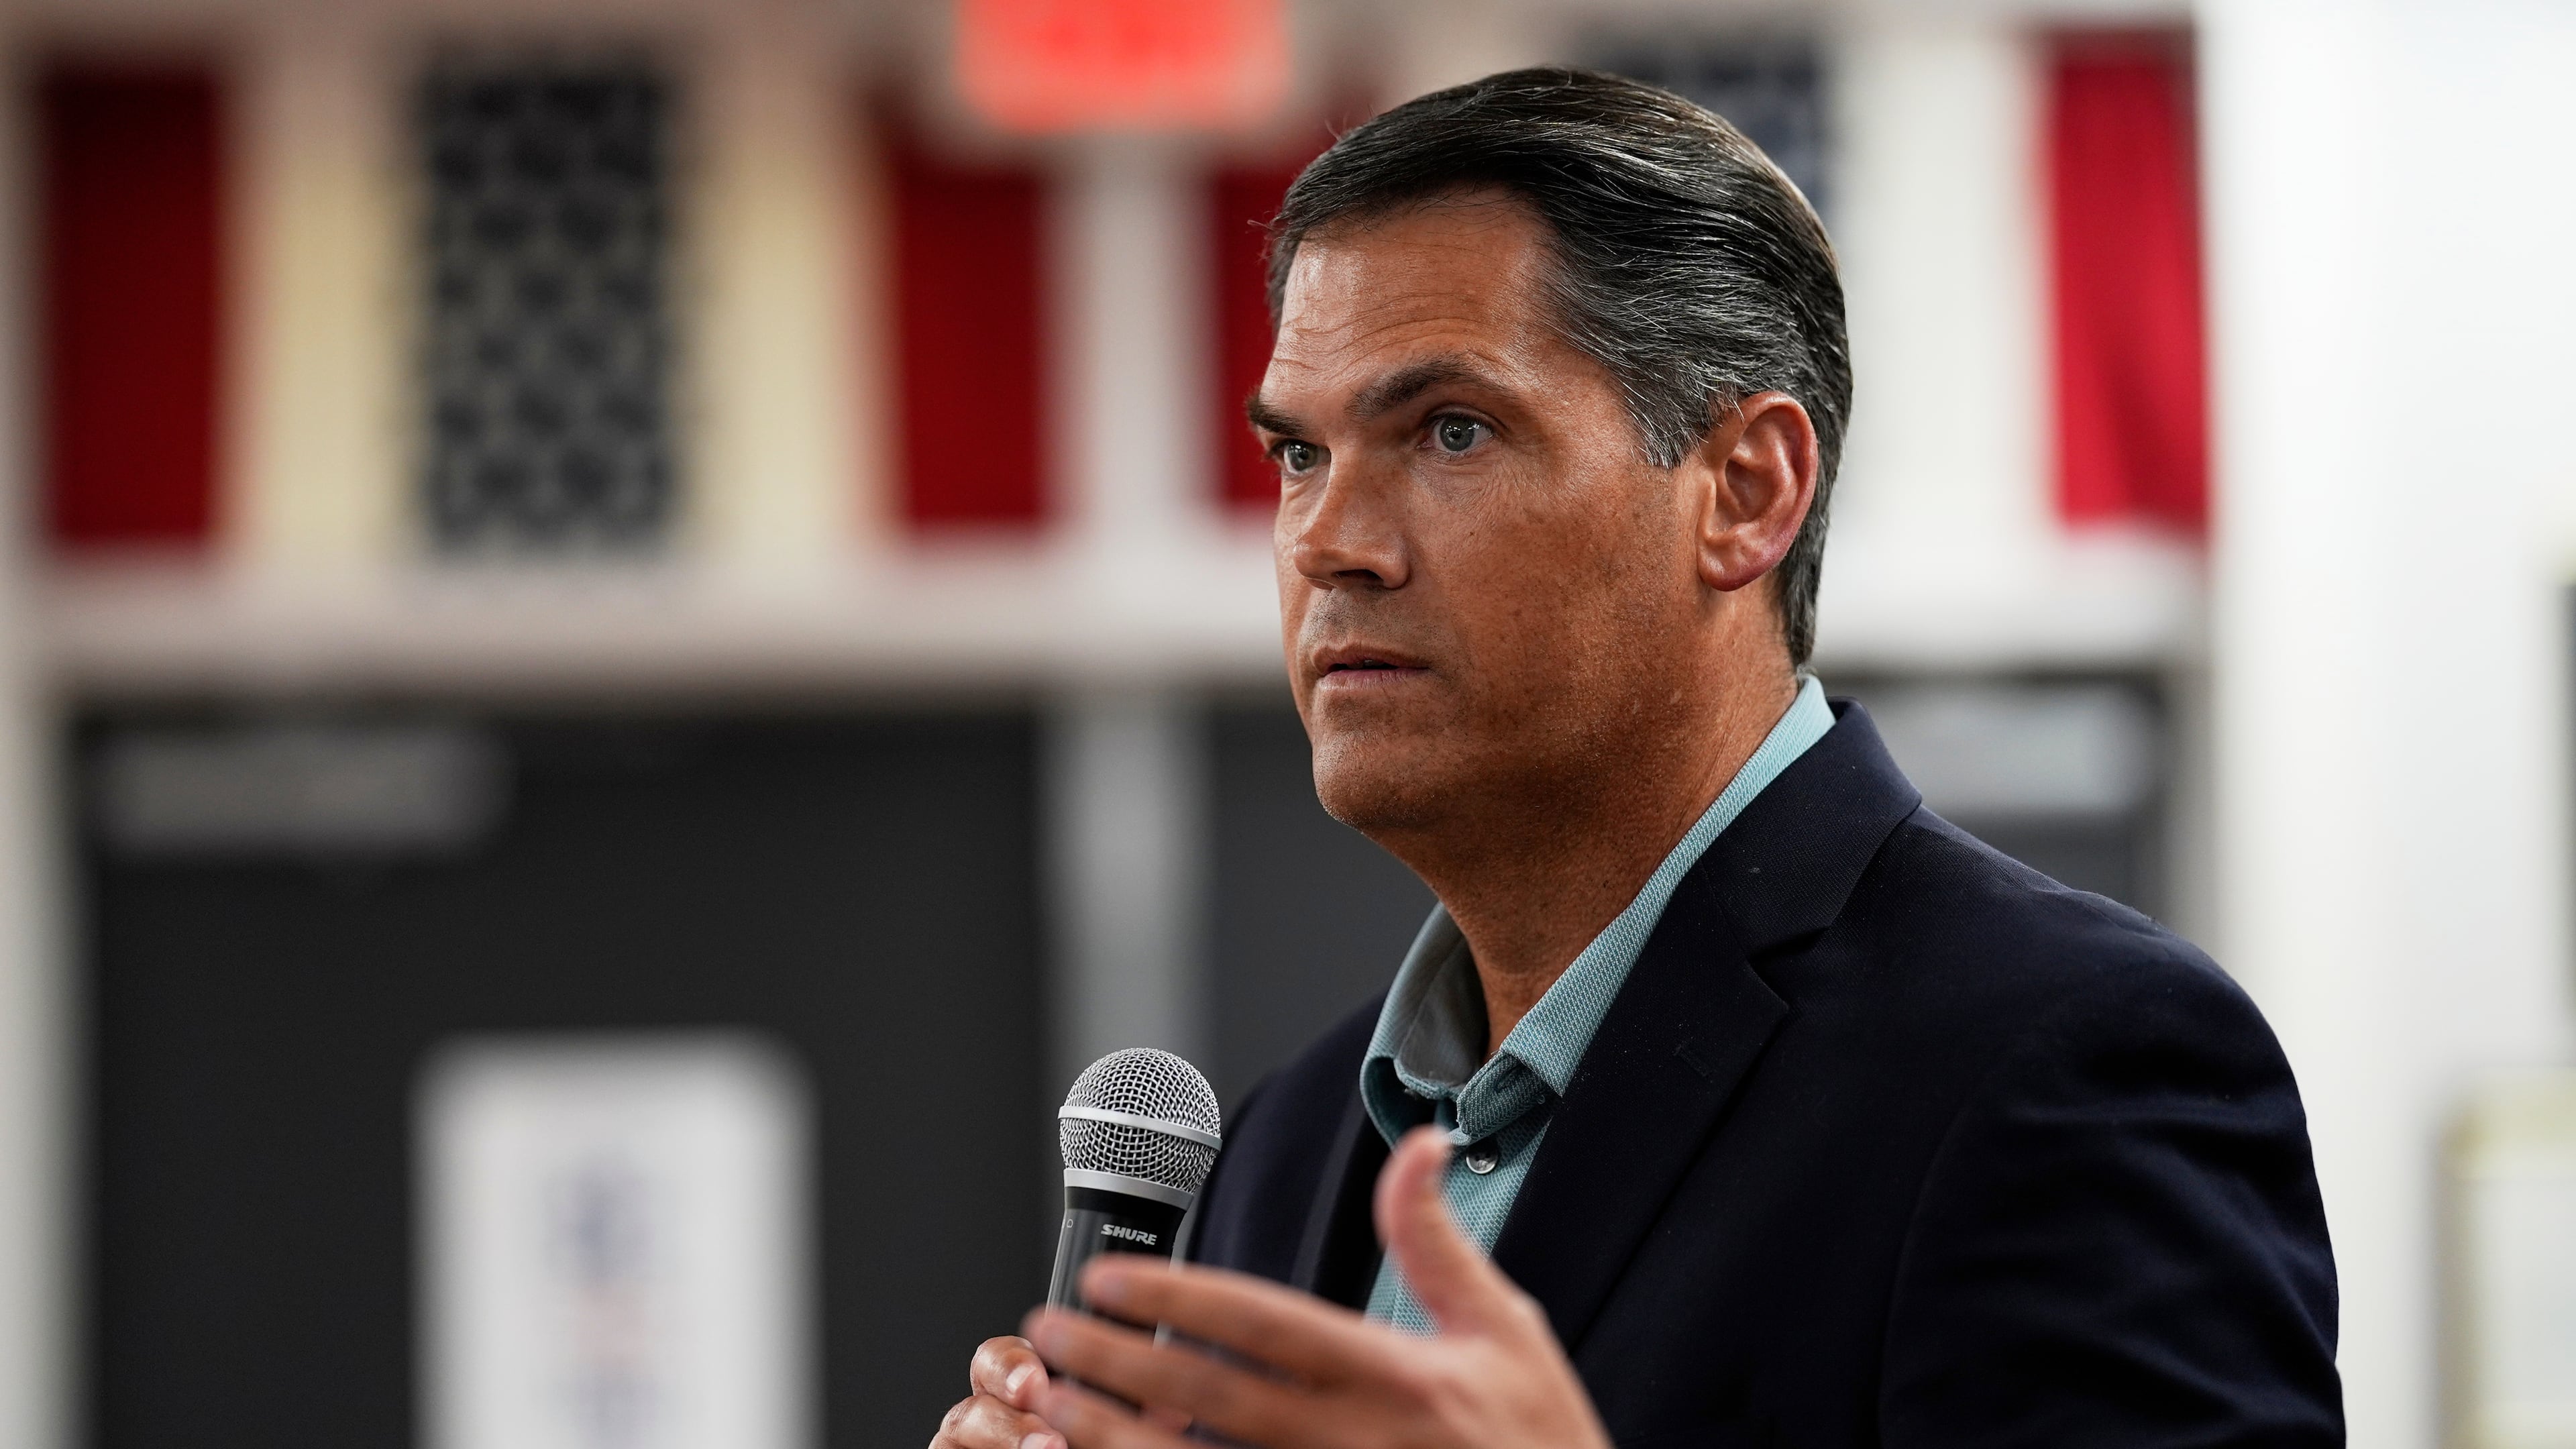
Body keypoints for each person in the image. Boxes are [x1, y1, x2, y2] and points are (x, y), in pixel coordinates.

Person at [933, 67, 2342, 1448]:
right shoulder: (1284, 1149)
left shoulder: (2069, 1061)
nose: (1324, 542)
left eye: (1451, 431)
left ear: (1746, 493)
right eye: (1299, 454)